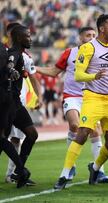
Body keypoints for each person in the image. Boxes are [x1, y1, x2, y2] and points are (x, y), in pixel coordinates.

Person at [53, 14, 108, 190]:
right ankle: (65, 173)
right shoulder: (88, 48)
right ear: (102, 28)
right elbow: (78, 74)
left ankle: (95, 168)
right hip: (92, 97)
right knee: (82, 133)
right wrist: (94, 76)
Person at [36, 26, 108, 187]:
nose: (91, 38)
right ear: (80, 38)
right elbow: (55, 71)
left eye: (93, 35)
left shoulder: (100, 53)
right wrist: (36, 69)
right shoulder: (70, 53)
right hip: (72, 96)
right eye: (87, 35)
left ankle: (99, 169)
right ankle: (71, 167)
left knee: (95, 131)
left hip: (91, 97)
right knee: (75, 125)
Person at [4, 22, 42, 185]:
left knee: (31, 134)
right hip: (5, 103)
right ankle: (19, 171)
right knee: (5, 138)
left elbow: (33, 77)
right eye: (27, 36)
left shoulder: (24, 56)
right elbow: (10, 63)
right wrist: (11, 70)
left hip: (15, 103)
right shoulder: (10, 54)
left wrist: (39, 97)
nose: (30, 39)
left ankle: (18, 171)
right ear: (18, 37)